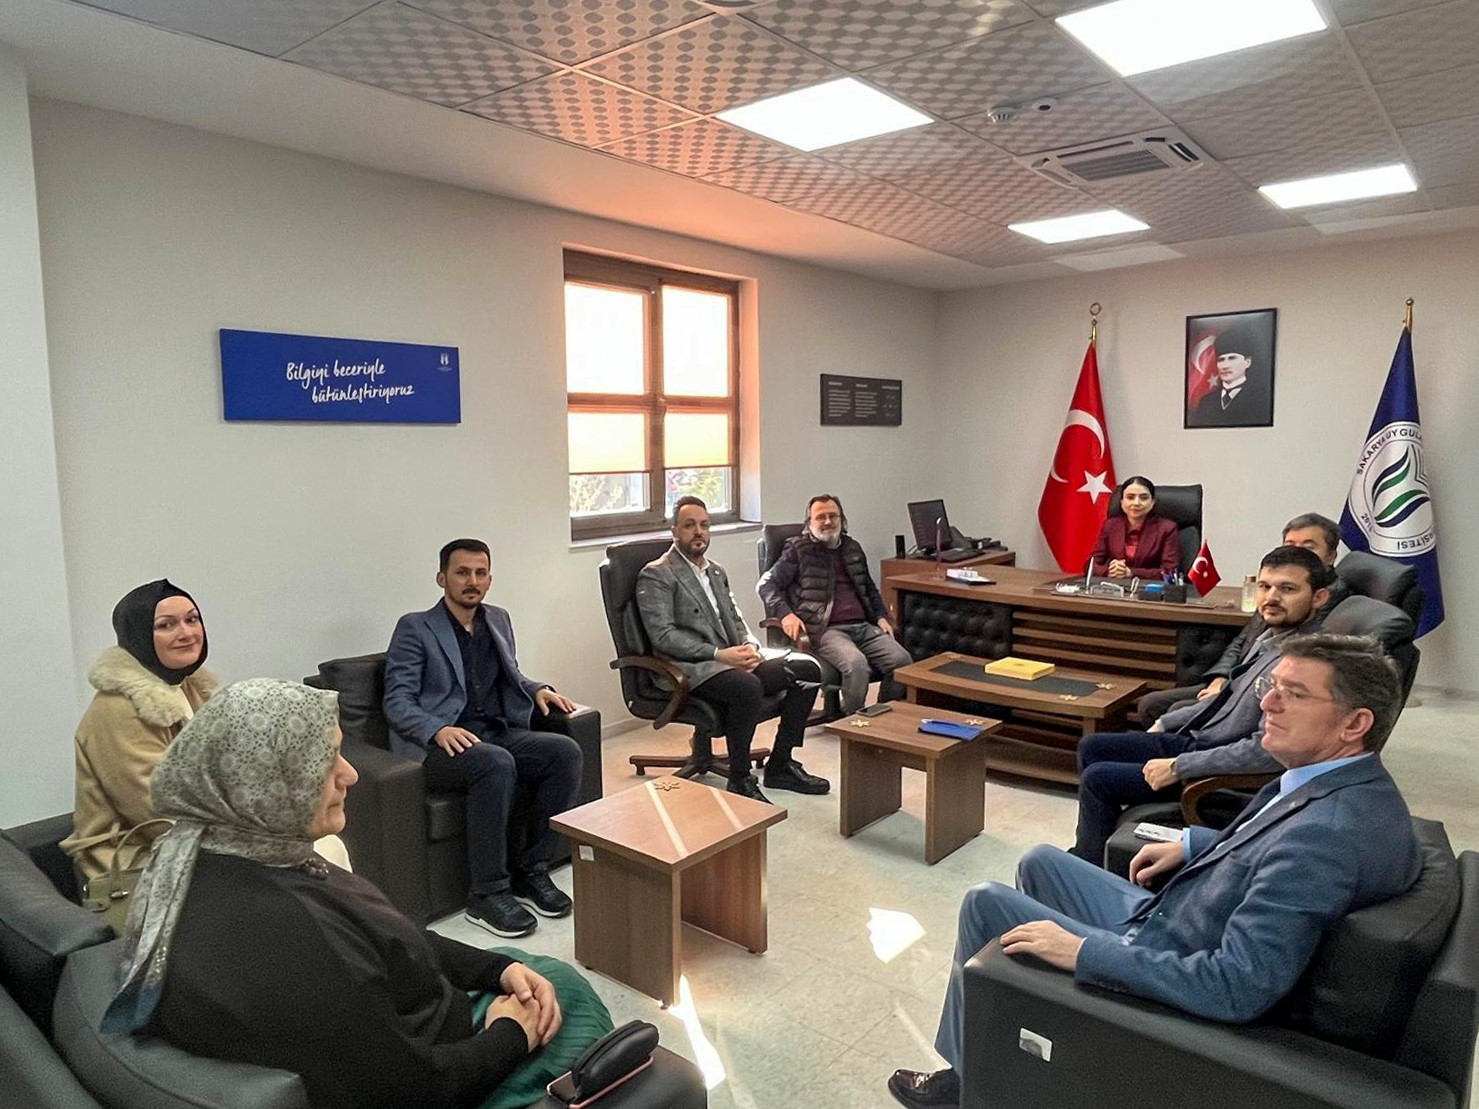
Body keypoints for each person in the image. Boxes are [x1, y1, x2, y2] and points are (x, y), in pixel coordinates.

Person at [888, 634, 1420, 1109]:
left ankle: (966, 1082)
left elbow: (1236, 986)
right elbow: (1274, 851)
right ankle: (1040, 1027)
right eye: (1271, 686)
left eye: (1294, 694)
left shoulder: (1324, 837)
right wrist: (1193, 843)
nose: (1267, 703)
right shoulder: (1340, 784)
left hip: (1168, 953)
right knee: (1041, 859)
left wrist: (1083, 952)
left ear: (1355, 723)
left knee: (985, 901)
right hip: (1182, 915)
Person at [103, 679, 579, 1109]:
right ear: (266, 784)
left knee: (533, 971)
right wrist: (510, 1034)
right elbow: (410, 1089)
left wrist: (497, 968)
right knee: (569, 993)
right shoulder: (293, 936)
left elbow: (384, 934)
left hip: (411, 1014)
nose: (350, 774)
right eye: (326, 760)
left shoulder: (212, 855)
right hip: (438, 1063)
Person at [1071, 545, 1330, 865]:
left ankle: (1089, 865)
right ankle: (1101, 845)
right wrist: (1167, 722)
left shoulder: (1300, 663)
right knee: (1091, 746)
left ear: (1319, 598)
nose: (1272, 597)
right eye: (1265, 586)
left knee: (1098, 779)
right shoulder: (1270, 636)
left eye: (1287, 589)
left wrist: (1179, 766)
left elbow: (1266, 751)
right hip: (1201, 741)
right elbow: (1226, 697)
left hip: (1220, 774)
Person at [383, 539, 582, 939]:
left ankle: (530, 869)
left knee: (564, 752)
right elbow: (397, 700)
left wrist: (537, 688)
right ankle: (487, 894)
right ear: (442, 578)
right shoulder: (415, 627)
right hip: (440, 746)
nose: (472, 581)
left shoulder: (498, 619)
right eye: (462, 572)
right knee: (494, 763)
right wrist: (437, 729)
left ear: (489, 579)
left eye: (480, 573)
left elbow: (512, 673)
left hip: (495, 731)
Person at [636, 496, 824, 803]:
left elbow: (735, 618)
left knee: (807, 668)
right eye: (689, 525)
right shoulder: (657, 573)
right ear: (675, 531)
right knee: (746, 686)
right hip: (688, 667)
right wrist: (718, 654)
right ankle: (740, 778)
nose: (699, 532)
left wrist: (750, 645)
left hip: (728, 658)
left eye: (704, 525)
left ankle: (781, 764)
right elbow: (664, 637)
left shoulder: (716, 571)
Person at [61, 580, 217, 883]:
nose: (186, 633)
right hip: (132, 863)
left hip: (189, 846)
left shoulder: (188, 686)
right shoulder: (119, 709)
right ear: (139, 634)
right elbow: (159, 810)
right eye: (166, 625)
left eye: (192, 619)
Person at [1137, 512, 1350, 724]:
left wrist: (1229, 687)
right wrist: (1220, 677)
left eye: (1308, 547)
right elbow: (1242, 641)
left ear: (1331, 556)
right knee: (1151, 704)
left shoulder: (1324, 598)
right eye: (1290, 545)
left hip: (1259, 689)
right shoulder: (1273, 592)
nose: (1297, 553)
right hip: (1235, 677)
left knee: (1175, 713)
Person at [757, 493, 913, 715]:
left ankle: (879, 718)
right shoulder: (798, 550)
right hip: (825, 630)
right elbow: (766, 585)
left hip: (863, 626)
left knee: (902, 661)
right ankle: (852, 723)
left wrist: (881, 616)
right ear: (809, 522)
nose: (828, 521)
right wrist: (785, 614)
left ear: (842, 519)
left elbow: (869, 588)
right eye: (820, 517)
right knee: (856, 665)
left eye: (833, 516)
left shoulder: (852, 548)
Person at [1088, 476, 1180, 580]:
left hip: (1148, 587)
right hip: (1115, 586)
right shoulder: (1111, 526)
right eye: (1130, 497)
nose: (1136, 503)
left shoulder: (1167, 528)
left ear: (1152, 502)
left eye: (1144, 498)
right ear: (1122, 502)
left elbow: (1170, 572)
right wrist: (1110, 571)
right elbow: (1090, 565)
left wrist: (1131, 572)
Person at [1190, 322, 1273, 428]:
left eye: (1232, 358)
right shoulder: (1206, 402)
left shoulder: (1260, 399)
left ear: (1247, 362)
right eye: (1221, 360)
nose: (1225, 366)